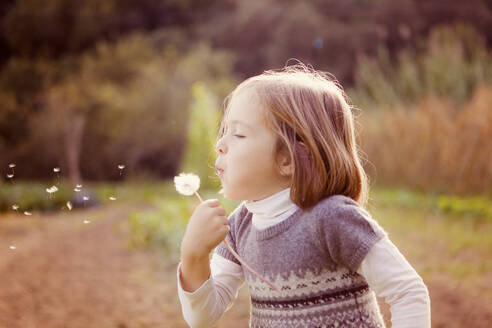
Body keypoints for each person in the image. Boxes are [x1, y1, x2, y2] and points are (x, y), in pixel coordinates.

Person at [177, 61, 431, 328]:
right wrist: (193, 255)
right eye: (224, 131)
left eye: (238, 134)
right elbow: (202, 318)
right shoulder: (240, 226)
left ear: (287, 158)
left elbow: (407, 292)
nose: (220, 144)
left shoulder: (332, 218)